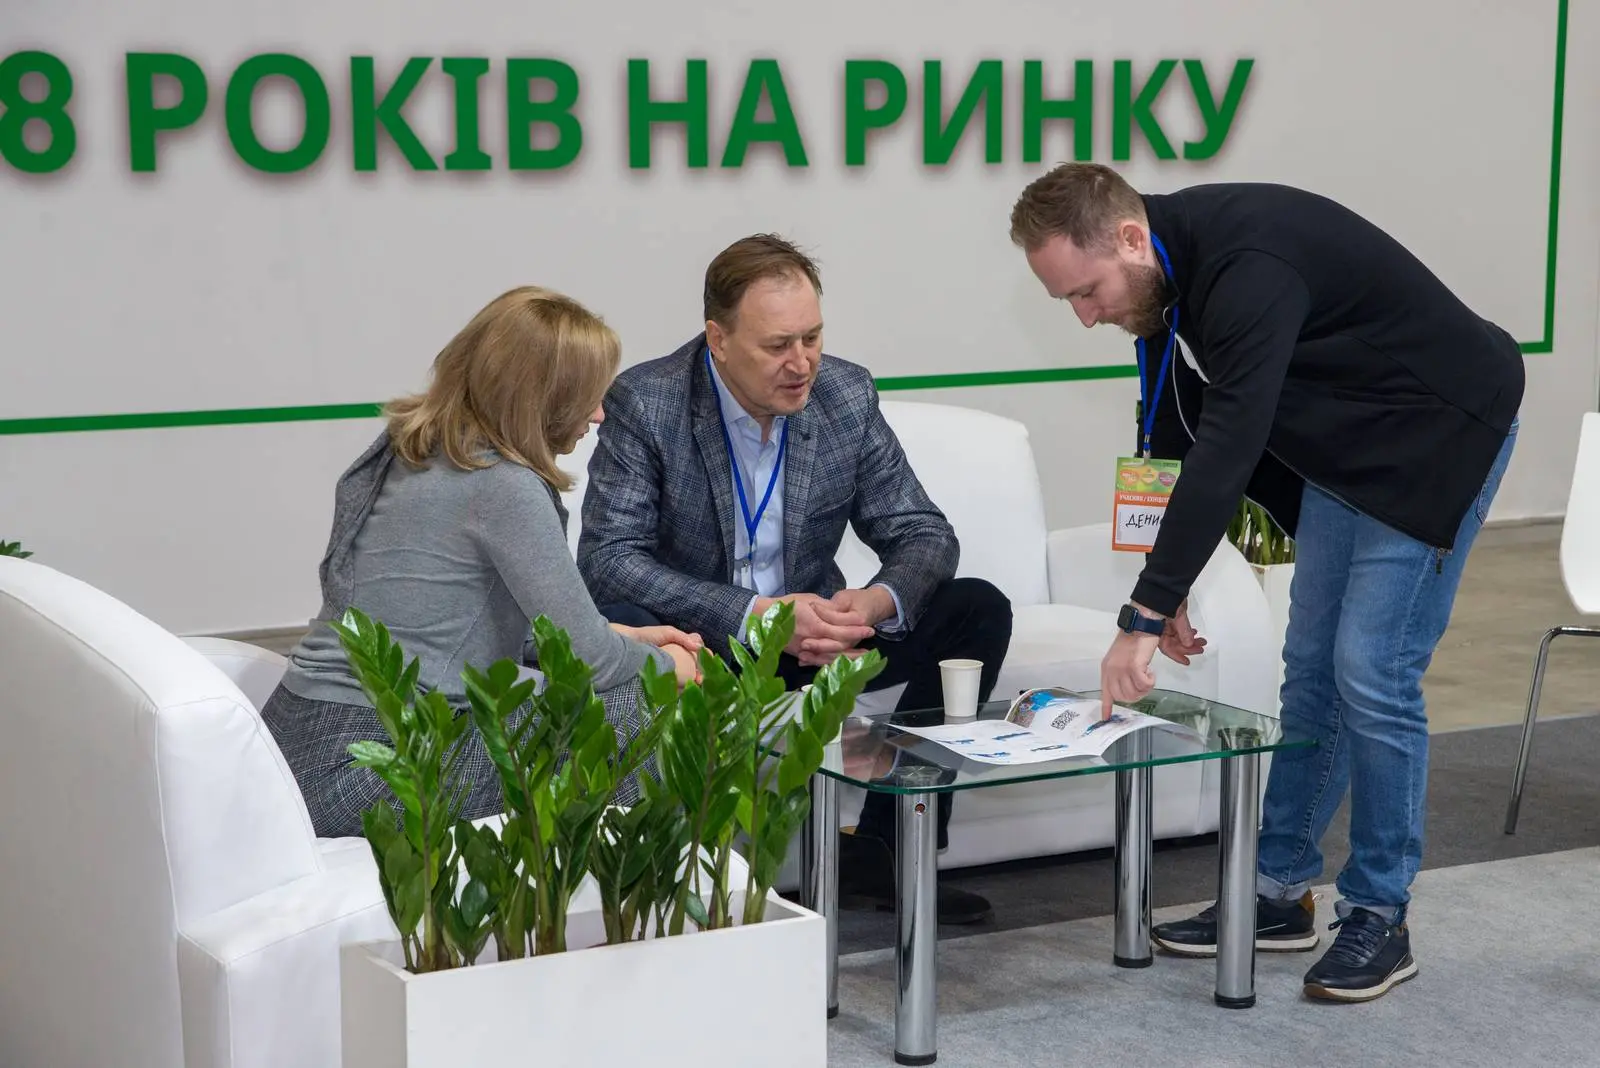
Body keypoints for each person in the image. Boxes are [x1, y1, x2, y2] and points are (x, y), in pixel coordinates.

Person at [1009, 165, 1522, 1002]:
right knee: (1311, 668)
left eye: (1087, 291)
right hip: (1348, 446)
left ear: (1130, 239)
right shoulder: (1166, 276)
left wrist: (1144, 614)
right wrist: (1169, 588)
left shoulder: (1247, 266)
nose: (1085, 315)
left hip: (1438, 430)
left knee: (1373, 671)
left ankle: (1381, 912)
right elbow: (1175, 424)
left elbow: (1230, 443)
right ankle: (1277, 893)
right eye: (1067, 299)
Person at [575, 234, 1013, 925]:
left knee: (977, 609)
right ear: (718, 339)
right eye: (778, 345)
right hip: (710, 644)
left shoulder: (844, 393)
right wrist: (756, 615)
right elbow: (608, 559)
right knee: (644, 635)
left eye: (812, 337)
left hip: (819, 641)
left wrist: (872, 604)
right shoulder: (648, 402)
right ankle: (683, 878)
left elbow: (923, 533)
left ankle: (889, 849)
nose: (802, 362)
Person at [260, 286, 703, 838]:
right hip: (370, 766)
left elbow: (446, 626)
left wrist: (625, 637)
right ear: (544, 399)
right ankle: (627, 891)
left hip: (301, 745)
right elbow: (592, 664)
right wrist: (670, 667)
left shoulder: (410, 452)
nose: (598, 414)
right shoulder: (502, 485)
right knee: (635, 711)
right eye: (588, 396)